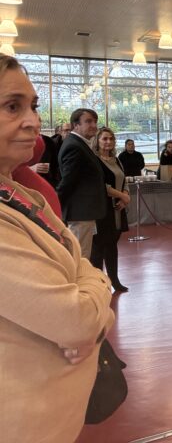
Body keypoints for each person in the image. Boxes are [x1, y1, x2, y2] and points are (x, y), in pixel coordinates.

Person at [0, 54, 115, 442]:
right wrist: (94, 300)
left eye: (33, 106)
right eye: (12, 106)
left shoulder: (20, 194)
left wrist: (90, 293)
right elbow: (76, 320)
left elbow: (79, 266)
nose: (33, 121)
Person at [57, 107, 107, 260]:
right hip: (80, 213)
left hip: (84, 212)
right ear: (76, 125)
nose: (93, 125)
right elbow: (68, 181)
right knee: (80, 257)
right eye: (88, 122)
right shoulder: (75, 146)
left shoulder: (81, 144)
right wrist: (55, 202)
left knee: (83, 255)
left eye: (95, 121)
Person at [92, 127, 131, 292]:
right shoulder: (94, 160)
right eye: (104, 139)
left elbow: (124, 180)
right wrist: (122, 196)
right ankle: (99, 283)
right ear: (97, 141)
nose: (108, 142)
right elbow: (102, 186)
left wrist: (125, 195)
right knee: (98, 248)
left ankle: (114, 280)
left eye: (111, 139)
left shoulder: (116, 160)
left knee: (112, 246)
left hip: (117, 209)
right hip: (103, 209)